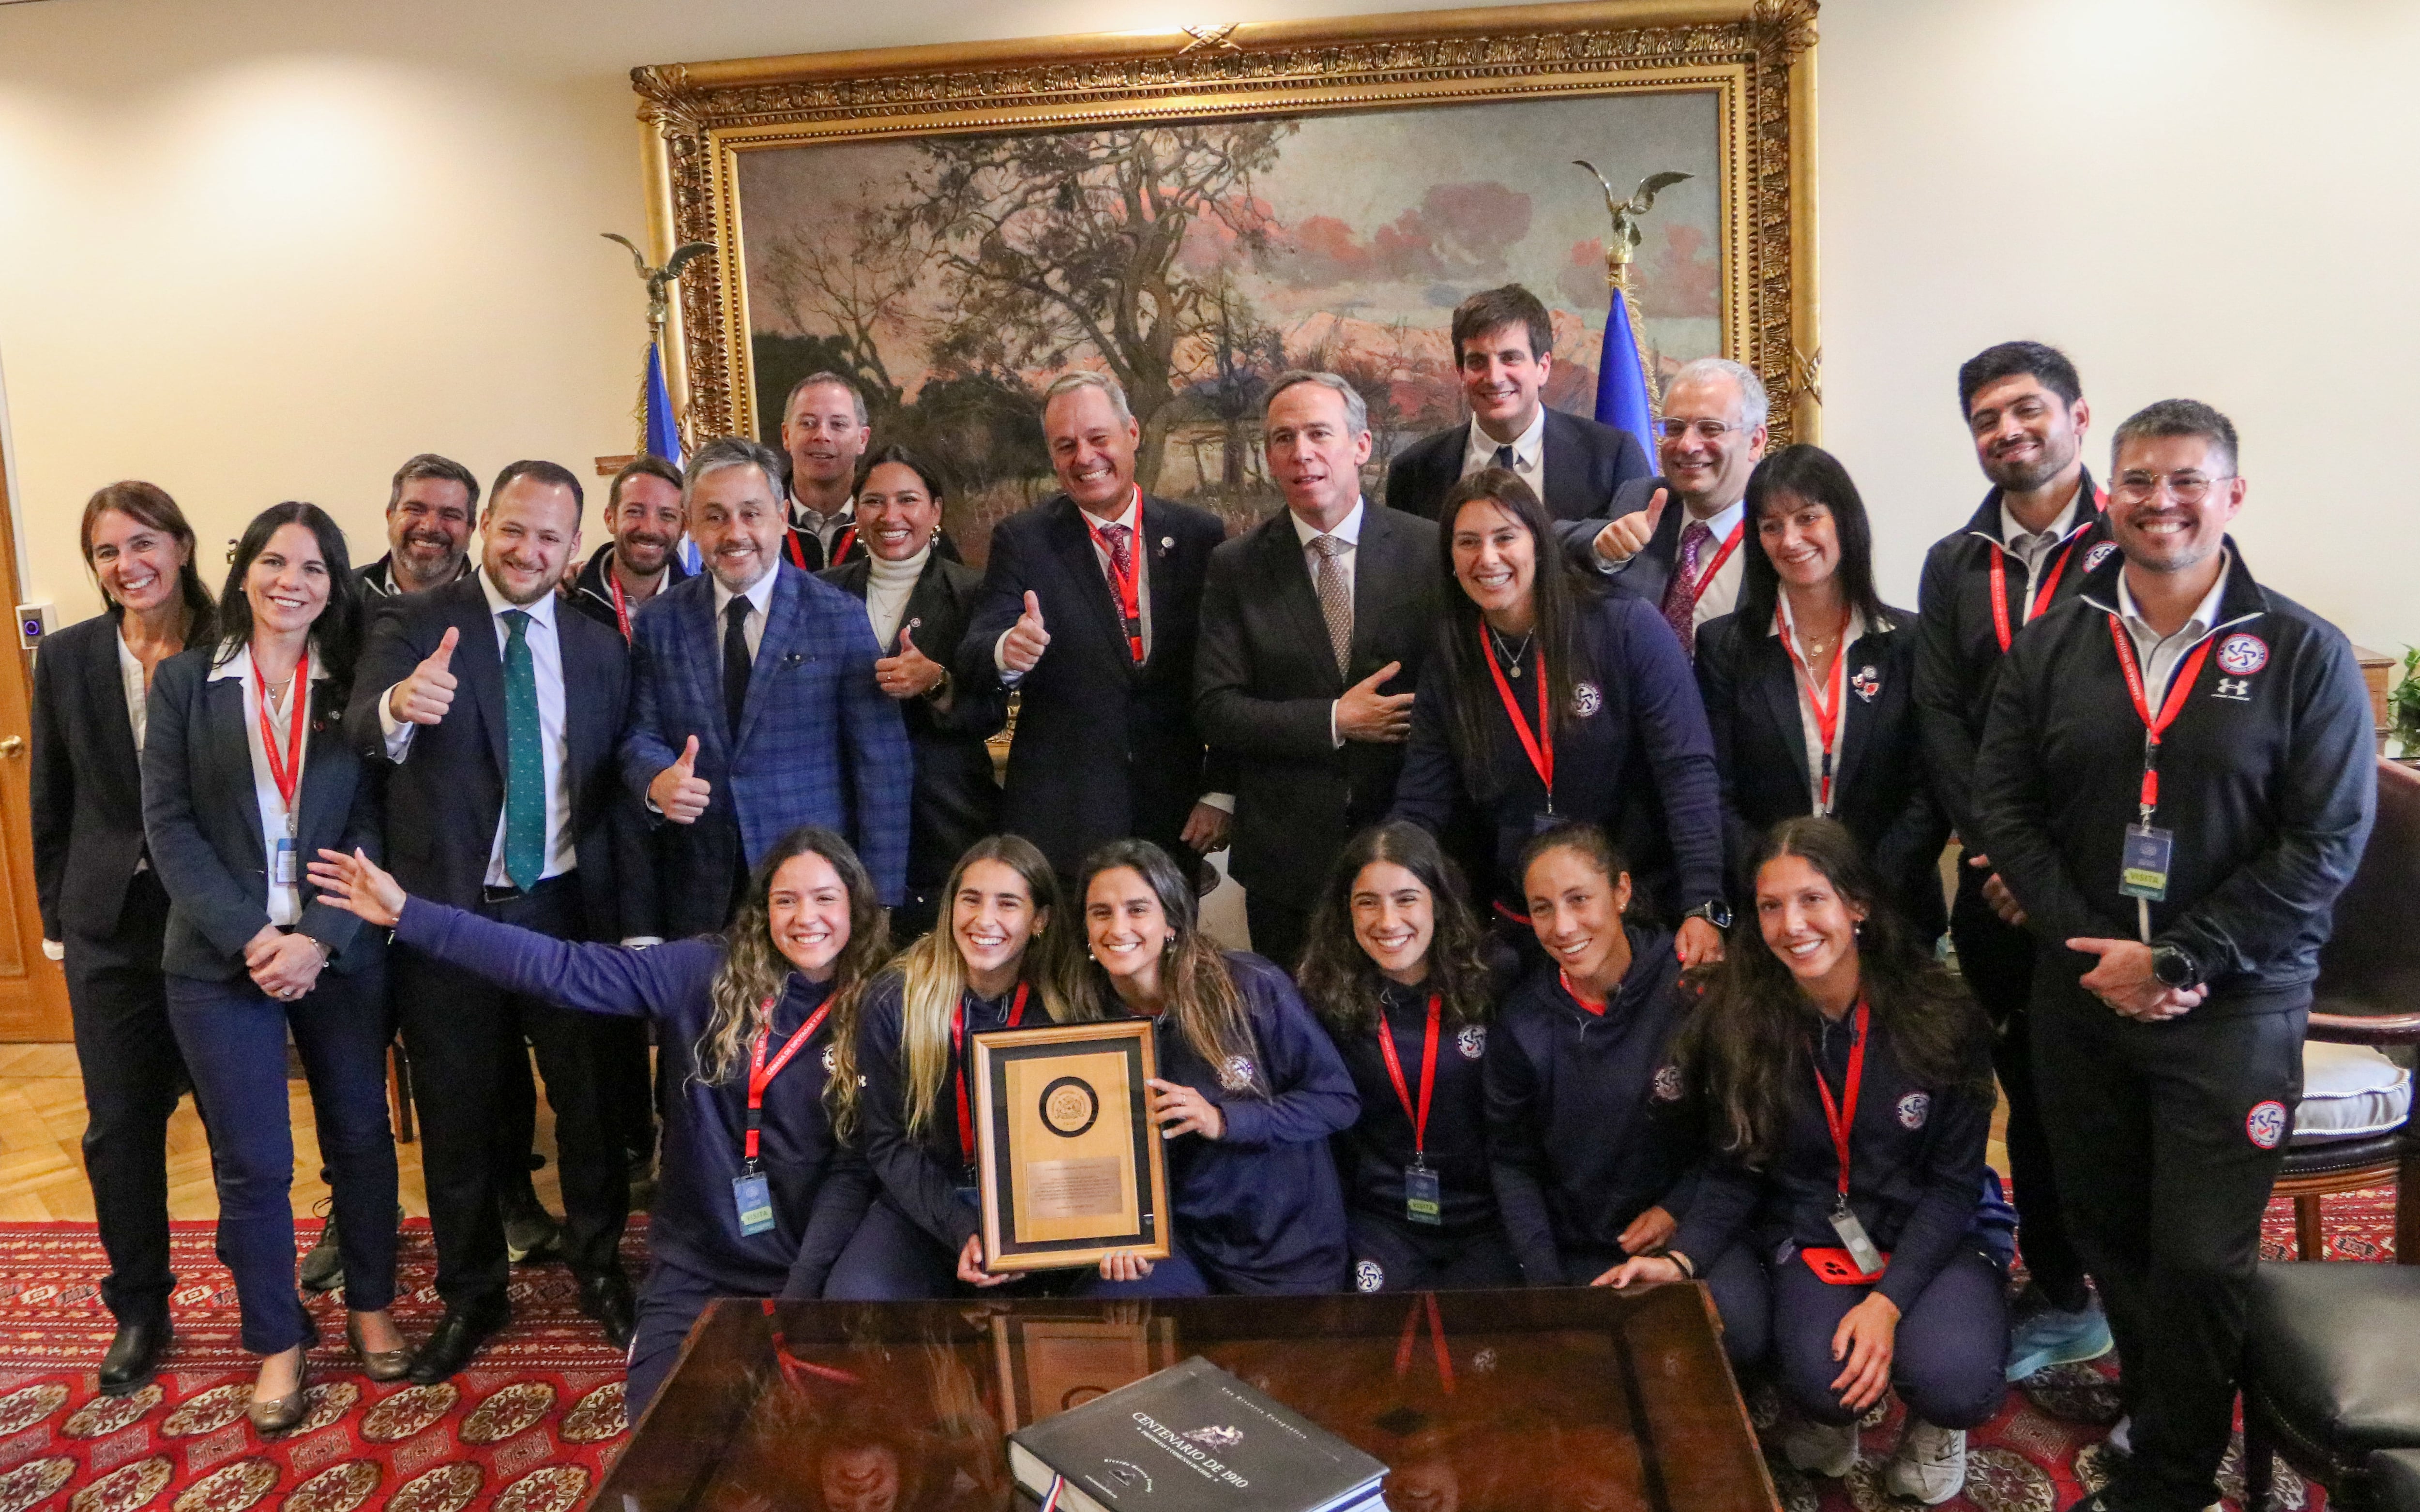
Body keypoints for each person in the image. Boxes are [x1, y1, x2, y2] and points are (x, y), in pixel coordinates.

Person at [1974, 400, 2376, 1512]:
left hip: (2236, 1000)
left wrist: (2182, 958)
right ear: (2110, 495)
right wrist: (2088, 946)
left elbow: (2327, 842)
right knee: (2112, 1232)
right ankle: (2168, 1414)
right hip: (2084, 989)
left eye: (2186, 480)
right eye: (2139, 481)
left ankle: (2172, 1476)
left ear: (2232, 496)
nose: (2161, 501)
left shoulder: (2302, 652)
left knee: (2199, 1256)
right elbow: (2003, 803)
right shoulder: (2059, 639)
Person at [307, 827, 882, 1416]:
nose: (804, 916)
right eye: (785, 899)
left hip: (822, 1262)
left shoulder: (884, 1002)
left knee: (827, 1433)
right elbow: (558, 967)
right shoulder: (702, 971)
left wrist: (806, 1289)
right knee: (660, 1439)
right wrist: (410, 913)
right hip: (699, 1263)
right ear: (762, 910)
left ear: (855, 906)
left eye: (824, 898)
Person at [1609, 818, 2007, 1506]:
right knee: (1822, 1383)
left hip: (1935, 1227)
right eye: (1770, 906)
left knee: (1953, 1376)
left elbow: (1953, 1187)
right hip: (1820, 1229)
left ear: (1857, 905)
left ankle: (1934, 1425)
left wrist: (1887, 1304)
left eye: (1812, 899)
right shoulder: (1745, 1019)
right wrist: (1681, 1259)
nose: (1792, 924)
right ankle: (1834, 1417)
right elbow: (1738, 1167)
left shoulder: (1945, 1015)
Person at [347, 459, 643, 1379]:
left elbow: (614, 774)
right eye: (513, 529)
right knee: (460, 1115)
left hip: (562, 909)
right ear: (485, 530)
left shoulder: (599, 646)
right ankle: (473, 1292)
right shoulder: (411, 620)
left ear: (571, 547)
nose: (528, 549)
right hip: (448, 917)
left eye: (550, 537)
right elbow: (358, 725)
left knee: (588, 1108)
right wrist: (401, 705)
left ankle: (601, 1268)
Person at [138, 503, 406, 1431]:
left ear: (335, 586)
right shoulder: (184, 684)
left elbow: (375, 825)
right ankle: (279, 1342)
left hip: (336, 951)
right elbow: (167, 827)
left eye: (315, 569)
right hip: (220, 961)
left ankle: (372, 1307)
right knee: (253, 1163)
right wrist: (256, 938)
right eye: (275, 562)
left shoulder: (353, 692)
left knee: (362, 1142)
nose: (293, 582)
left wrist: (320, 938)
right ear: (243, 570)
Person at [1913, 341, 2115, 1382]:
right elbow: (1942, 716)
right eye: (1987, 417)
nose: (2008, 431)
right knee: (2026, 1089)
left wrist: (2056, 873)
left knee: (2111, 1094)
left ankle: (2138, 1288)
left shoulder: (2134, 540)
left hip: (2104, 888)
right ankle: (2065, 1288)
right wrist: (1994, 851)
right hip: (1996, 883)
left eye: (2027, 410)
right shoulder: (1953, 562)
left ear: (2078, 417)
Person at [31, 482, 216, 1395]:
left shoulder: (231, 641)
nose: (126, 566)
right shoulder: (65, 658)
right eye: (106, 553)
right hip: (109, 925)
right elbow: (52, 799)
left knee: (236, 1119)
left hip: (215, 919)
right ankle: (141, 1306)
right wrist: (58, 920)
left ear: (181, 546)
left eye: (143, 544)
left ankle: (266, 1295)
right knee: (118, 1128)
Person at [1390, 468, 1727, 964]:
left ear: (1540, 544)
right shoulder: (1451, 656)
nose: (1487, 558)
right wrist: (1391, 887)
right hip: (1518, 924)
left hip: (1636, 916)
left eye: (1505, 537)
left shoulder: (1625, 626)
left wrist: (1702, 901)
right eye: (1467, 542)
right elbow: (1422, 800)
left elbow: (1686, 772)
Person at [1197, 372, 1441, 969]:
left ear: (1360, 445)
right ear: (1269, 459)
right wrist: (1335, 720)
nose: (1300, 452)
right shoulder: (1236, 566)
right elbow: (1217, 708)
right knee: (1296, 1033)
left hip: (1408, 846)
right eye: (1283, 438)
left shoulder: (1429, 550)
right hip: (1287, 861)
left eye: (1317, 433)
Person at [620, 435, 913, 934]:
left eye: (751, 513)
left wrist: (880, 899)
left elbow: (881, 762)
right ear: (689, 524)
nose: (735, 533)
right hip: (699, 887)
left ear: (780, 515)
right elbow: (638, 734)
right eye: (714, 516)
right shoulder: (660, 621)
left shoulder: (837, 616)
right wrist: (656, 780)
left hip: (812, 888)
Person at [958, 374, 1232, 881]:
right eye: (1065, 446)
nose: (1084, 457)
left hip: (1171, 814)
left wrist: (1220, 791)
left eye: (1097, 438)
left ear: (1131, 433)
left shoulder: (1199, 536)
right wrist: (1007, 650)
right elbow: (976, 651)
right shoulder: (1023, 540)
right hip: (1063, 816)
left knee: (1167, 958)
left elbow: (1228, 673)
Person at [1068, 839, 1358, 1295]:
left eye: (1138, 909)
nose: (1117, 927)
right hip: (1177, 1244)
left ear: (1171, 921)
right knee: (1116, 1303)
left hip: (1281, 1243)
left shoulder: (1250, 987)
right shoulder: (1083, 1020)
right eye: (1100, 912)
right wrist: (1115, 1234)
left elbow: (1337, 1100)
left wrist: (1224, 1119)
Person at [1694, 445, 1947, 944]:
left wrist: (1859, 893)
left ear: (1844, 522)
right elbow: (1712, 789)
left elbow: (1930, 789)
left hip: (1891, 913)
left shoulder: (1909, 642)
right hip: (1771, 921)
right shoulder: (1725, 646)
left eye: (1807, 517)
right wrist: (1780, 890)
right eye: (1770, 526)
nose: (1790, 540)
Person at [820, 835, 1071, 1299]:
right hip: (926, 1199)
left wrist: (1016, 1233)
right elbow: (888, 1141)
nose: (984, 919)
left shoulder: (1063, 1007)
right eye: (970, 899)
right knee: (856, 1301)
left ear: (1039, 920)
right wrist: (961, 1227)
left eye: (1008, 903)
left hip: (1036, 1212)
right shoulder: (895, 997)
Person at [1300, 821, 1517, 1293]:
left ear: (1438, 900)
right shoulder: (1322, 995)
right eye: (1367, 902)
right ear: (1346, 912)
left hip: (1486, 1220)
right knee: (1379, 1347)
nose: (1387, 921)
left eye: (1405, 898)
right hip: (1382, 1221)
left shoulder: (1495, 977)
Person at [1484, 823, 1700, 1289]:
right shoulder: (1522, 1022)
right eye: (1543, 908)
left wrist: (1676, 1209)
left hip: (1681, 1231)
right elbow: (1511, 1159)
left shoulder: (1688, 987)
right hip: (1576, 1246)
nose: (1563, 927)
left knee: (1734, 1325)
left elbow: (1732, 1142)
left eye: (1579, 899)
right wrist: (1546, 1278)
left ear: (1621, 891)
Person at [818, 447, 1006, 938]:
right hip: (846, 817)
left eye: (907, 500)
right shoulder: (820, 594)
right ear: (855, 511)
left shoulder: (973, 592)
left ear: (936, 510)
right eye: (874, 501)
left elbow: (989, 711)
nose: (890, 516)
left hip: (946, 819)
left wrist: (937, 681)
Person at [1554, 357, 1771, 659]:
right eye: (1674, 428)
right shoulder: (1642, 499)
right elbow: (1552, 541)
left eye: (1710, 429)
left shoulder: (1778, 528)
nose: (1687, 445)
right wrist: (1603, 546)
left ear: (1756, 442)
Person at [1381, 284, 1652, 523]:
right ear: (1461, 373)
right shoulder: (1414, 471)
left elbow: (1637, 571)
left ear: (1543, 367)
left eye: (1510, 358)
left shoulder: (1612, 458)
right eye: (1477, 362)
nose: (1494, 378)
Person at [570, 454, 692, 641]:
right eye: (635, 512)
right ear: (610, 519)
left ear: (683, 527)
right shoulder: (568, 600)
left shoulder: (701, 608)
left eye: (667, 515)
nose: (649, 529)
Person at [777, 372, 875, 574]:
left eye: (838, 424)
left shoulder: (889, 520)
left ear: (862, 440)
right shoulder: (758, 521)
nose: (822, 435)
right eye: (808, 423)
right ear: (787, 436)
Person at [358, 453, 479, 599]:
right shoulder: (340, 595)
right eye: (415, 509)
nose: (430, 527)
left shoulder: (493, 608)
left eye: (450, 515)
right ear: (390, 517)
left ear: (471, 529)